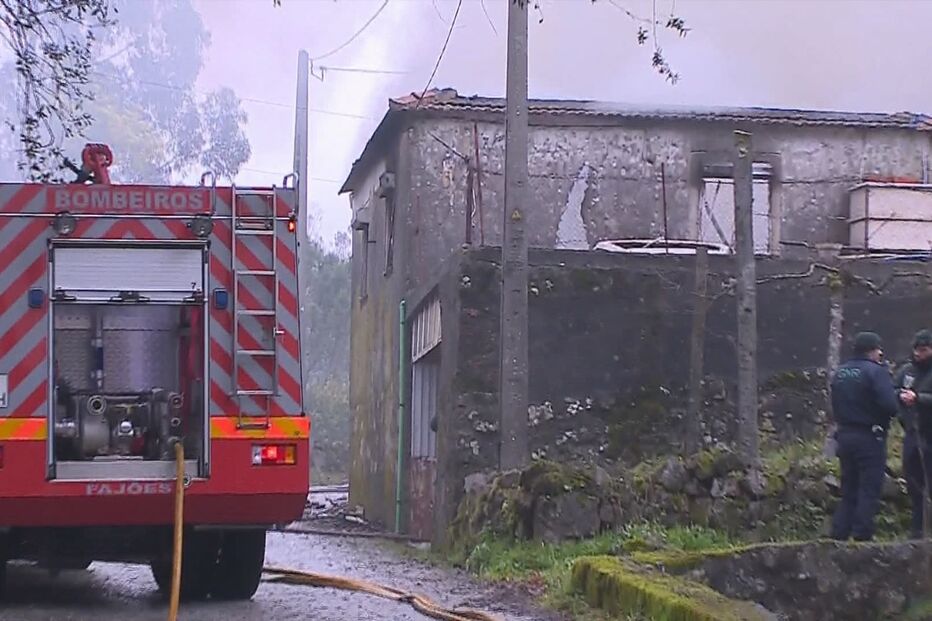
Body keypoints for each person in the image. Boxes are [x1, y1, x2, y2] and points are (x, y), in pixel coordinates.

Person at [830, 331, 900, 542]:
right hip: (869, 436)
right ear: (871, 350)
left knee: (849, 486)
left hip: (844, 435)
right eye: (879, 349)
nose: (880, 353)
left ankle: (840, 532)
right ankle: (862, 533)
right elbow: (890, 406)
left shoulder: (840, 373)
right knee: (869, 486)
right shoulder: (875, 372)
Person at [895, 329, 932, 539]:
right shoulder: (906, 371)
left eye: (924, 350)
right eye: (916, 349)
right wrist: (901, 396)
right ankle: (918, 530)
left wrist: (919, 398)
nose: (919, 354)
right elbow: (891, 390)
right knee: (914, 482)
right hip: (912, 433)